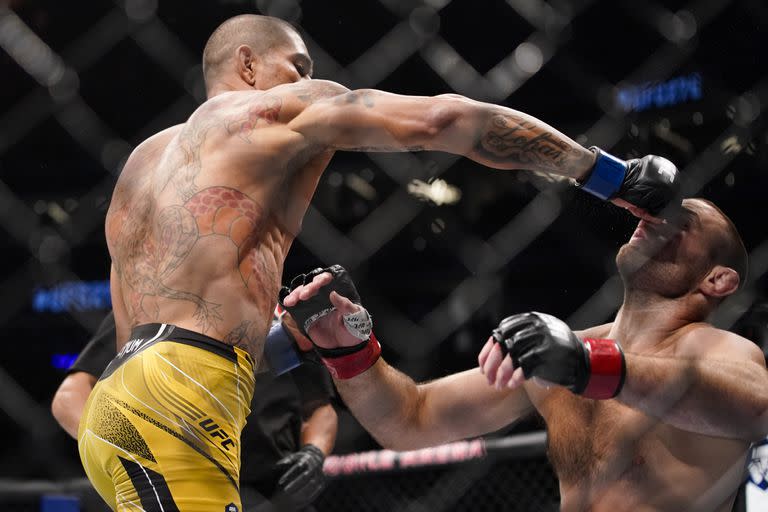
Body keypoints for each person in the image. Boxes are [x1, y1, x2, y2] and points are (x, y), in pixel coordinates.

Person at [82, 12, 681, 511]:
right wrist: (608, 174)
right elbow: (446, 120)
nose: (309, 79)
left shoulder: (142, 163)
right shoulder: (277, 111)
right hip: (181, 399)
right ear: (247, 65)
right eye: (297, 65)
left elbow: (149, 334)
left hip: (116, 407)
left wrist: (293, 344)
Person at [280, 198, 768, 512]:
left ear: (717, 279)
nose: (654, 217)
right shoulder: (558, 354)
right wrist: (350, 351)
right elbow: (411, 420)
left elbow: (758, 408)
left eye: (682, 222)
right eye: (655, 210)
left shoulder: (717, 350)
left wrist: (594, 365)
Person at [54, 311, 336, 511]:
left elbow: (320, 407)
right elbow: (69, 396)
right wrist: (132, 445)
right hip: (180, 486)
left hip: (274, 490)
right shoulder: (149, 309)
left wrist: (314, 452)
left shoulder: (283, 319)